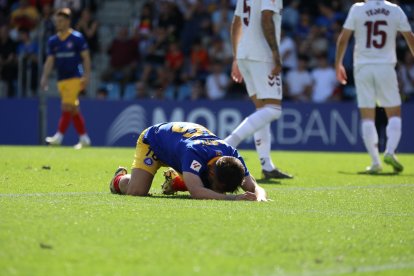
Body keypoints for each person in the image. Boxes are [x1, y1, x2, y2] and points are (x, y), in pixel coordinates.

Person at [335, 0, 414, 173]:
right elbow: (411, 40)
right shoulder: (395, 10)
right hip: (385, 67)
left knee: (367, 116)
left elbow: (343, 40)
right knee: (394, 113)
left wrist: (338, 64)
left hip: (362, 67)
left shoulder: (357, 9)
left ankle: (375, 162)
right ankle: (391, 151)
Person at [109, 122, 267, 201]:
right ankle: (118, 179)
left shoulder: (232, 155)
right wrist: (233, 198)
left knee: (211, 190)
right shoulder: (194, 152)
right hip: (154, 142)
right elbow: (197, 192)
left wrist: (260, 198)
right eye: (220, 186)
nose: (222, 191)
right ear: (212, 171)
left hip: (179, 148)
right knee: (137, 192)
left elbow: (254, 187)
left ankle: (177, 181)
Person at [225, 0, 292, 179]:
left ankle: (267, 165)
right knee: (273, 110)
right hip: (262, 55)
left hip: (244, 55)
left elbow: (236, 23)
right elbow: (266, 18)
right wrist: (276, 54)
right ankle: (228, 144)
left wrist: (235, 58)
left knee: (262, 111)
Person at [40, 8, 91, 149]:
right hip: (61, 79)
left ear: (68, 21)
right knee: (73, 109)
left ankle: (59, 137)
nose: (59, 24)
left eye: (61, 21)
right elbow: (50, 60)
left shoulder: (77, 38)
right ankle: (84, 138)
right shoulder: (53, 41)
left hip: (75, 77)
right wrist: (44, 77)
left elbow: (86, 58)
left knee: (66, 106)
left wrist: (87, 75)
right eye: (57, 21)